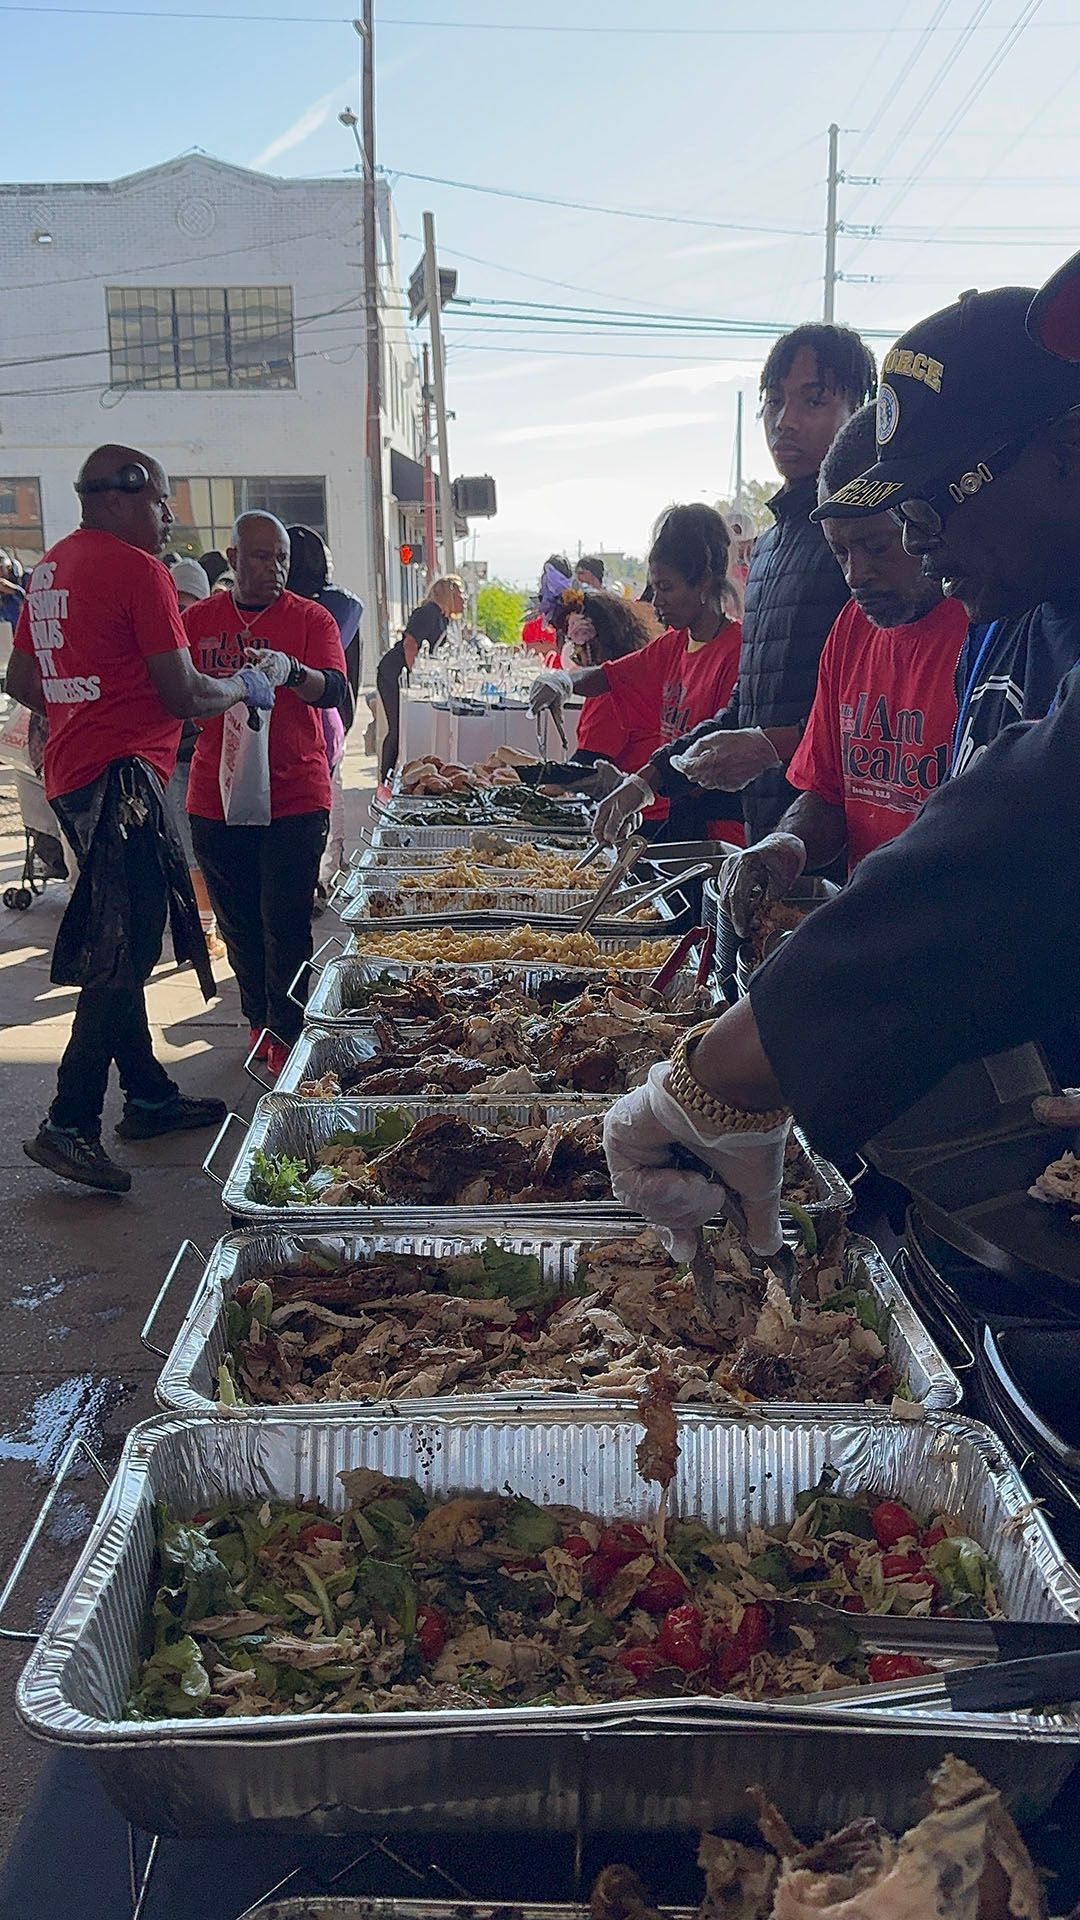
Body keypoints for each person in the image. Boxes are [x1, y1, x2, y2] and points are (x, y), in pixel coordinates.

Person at [600, 261, 1080, 1255]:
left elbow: (1024, 833)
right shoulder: (1036, 611)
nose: (921, 548)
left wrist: (721, 1076)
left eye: (927, 515)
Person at [8, 444, 274, 1194]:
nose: (168, 517)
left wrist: (85, 708)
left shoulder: (50, 568)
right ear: (123, 495)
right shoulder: (138, 571)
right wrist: (241, 685)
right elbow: (183, 693)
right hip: (125, 777)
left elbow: (24, 678)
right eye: (161, 500)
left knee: (114, 928)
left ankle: (150, 1095)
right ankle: (69, 1119)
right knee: (121, 947)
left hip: (73, 772)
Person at [595, 324, 877, 848]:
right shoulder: (767, 550)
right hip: (766, 832)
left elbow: (878, 717)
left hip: (845, 842)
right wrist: (650, 779)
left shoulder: (874, 544)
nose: (784, 422)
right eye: (773, 402)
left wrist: (771, 744)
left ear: (861, 409)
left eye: (812, 401)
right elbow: (747, 706)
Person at [720, 405, 967, 925]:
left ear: (924, 522)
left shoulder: (985, 632)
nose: (857, 575)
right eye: (840, 553)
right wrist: (786, 844)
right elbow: (828, 793)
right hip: (870, 937)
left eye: (877, 546)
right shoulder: (852, 629)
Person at [181, 512, 348, 1077]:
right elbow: (174, 694)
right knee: (238, 923)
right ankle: (259, 1019)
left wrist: (290, 670)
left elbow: (336, 691)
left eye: (281, 557)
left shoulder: (311, 619)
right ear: (231, 559)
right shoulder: (197, 621)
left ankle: (291, 1029)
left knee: (286, 920)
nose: (275, 568)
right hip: (216, 795)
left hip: (296, 794)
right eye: (260, 556)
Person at [531, 505, 745, 843]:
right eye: (654, 588)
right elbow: (608, 677)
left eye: (667, 588)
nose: (656, 602)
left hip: (714, 829)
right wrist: (565, 681)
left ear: (703, 582)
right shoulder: (673, 645)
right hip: (674, 815)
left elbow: (711, 750)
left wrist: (638, 782)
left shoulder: (735, 651)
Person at [285, 524, 364, 889]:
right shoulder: (341, 607)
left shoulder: (285, 610)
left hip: (295, 720)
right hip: (332, 715)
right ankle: (326, 873)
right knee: (331, 794)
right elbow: (352, 667)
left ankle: (312, 875)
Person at [162, 559, 227, 962]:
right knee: (191, 853)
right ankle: (204, 932)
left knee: (203, 851)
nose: (185, 612)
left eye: (191, 603)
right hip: (180, 757)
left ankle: (206, 928)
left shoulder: (204, 632)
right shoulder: (171, 635)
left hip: (206, 754)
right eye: (179, 603)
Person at [376, 576, 465, 788]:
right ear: (449, 594)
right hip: (394, 672)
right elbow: (410, 643)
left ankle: (401, 775)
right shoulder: (428, 612)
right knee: (397, 727)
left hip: (406, 673)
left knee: (406, 727)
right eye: (461, 595)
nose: (464, 600)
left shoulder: (444, 619)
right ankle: (385, 781)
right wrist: (416, 675)